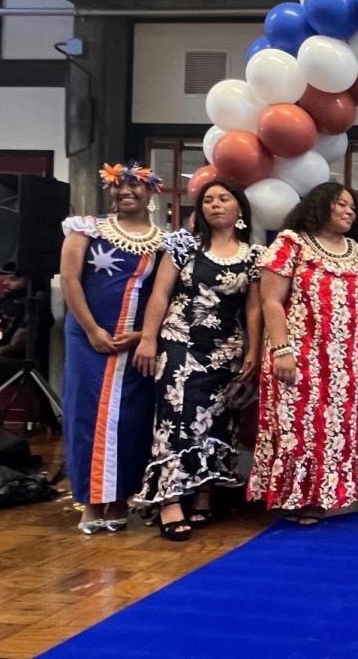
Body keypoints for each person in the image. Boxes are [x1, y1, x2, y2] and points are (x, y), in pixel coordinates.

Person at [133, 180, 264, 541]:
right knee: (175, 419)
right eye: (208, 200)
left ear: (240, 208)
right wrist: (147, 339)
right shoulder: (182, 246)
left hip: (226, 349)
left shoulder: (254, 255)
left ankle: (204, 493)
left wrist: (254, 350)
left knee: (217, 423)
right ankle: (169, 501)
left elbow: (253, 308)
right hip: (180, 343)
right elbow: (160, 295)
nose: (215, 205)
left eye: (224, 199)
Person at [248, 182, 358, 525]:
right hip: (299, 355)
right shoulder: (292, 243)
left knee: (337, 429)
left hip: (346, 362)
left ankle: (323, 497)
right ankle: (295, 497)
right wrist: (281, 350)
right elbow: (271, 301)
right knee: (299, 426)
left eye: (353, 207)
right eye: (341, 204)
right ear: (320, 205)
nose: (349, 211)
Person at [59, 162, 166, 534]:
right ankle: (90, 500)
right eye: (120, 186)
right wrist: (91, 330)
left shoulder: (164, 241)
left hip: (134, 345)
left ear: (150, 192)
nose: (127, 192)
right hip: (88, 339)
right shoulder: (86, 228)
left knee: (132, 419)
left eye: (136, 186)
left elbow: (163, 297)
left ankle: (120, 498)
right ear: (111, 190)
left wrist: (142, 336)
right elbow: (71, 280)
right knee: (86, 416)